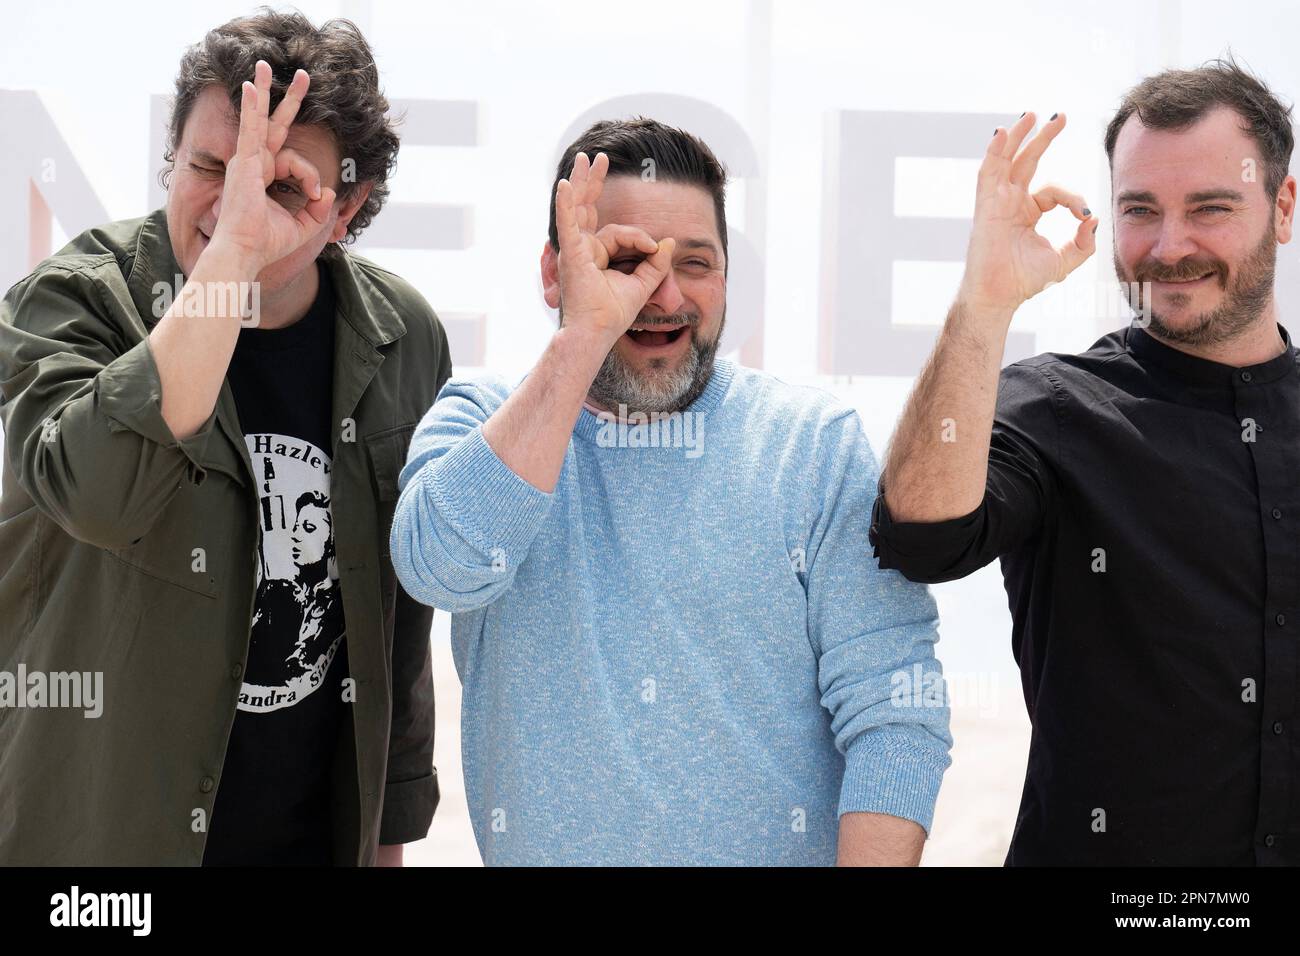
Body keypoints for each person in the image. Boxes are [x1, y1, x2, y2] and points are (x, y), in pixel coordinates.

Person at [390, 118, 952, 866]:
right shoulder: (481, 418)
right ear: (556, 275)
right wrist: (583, 339)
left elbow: (895, 708)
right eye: (626, 260)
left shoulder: (811, 445)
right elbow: (440, 565)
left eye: (697, 262)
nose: (664, 293)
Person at [0, 10, 450, 865]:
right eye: (210, 168)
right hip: (100, 851)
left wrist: (387, 831)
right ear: (171, 158)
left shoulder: (405, 335)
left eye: (277, 187)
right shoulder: (72, 303)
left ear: (346, 206)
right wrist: (234, 256)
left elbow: (397, 617)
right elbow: (100, 495)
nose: (231, 204)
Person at [871, 58, 1298, 865]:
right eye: (1141, 210)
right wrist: (984, 302)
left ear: (1281, 206)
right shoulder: (1053, 408)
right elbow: (919, 535)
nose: (1171, 248)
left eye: (1209, 207)